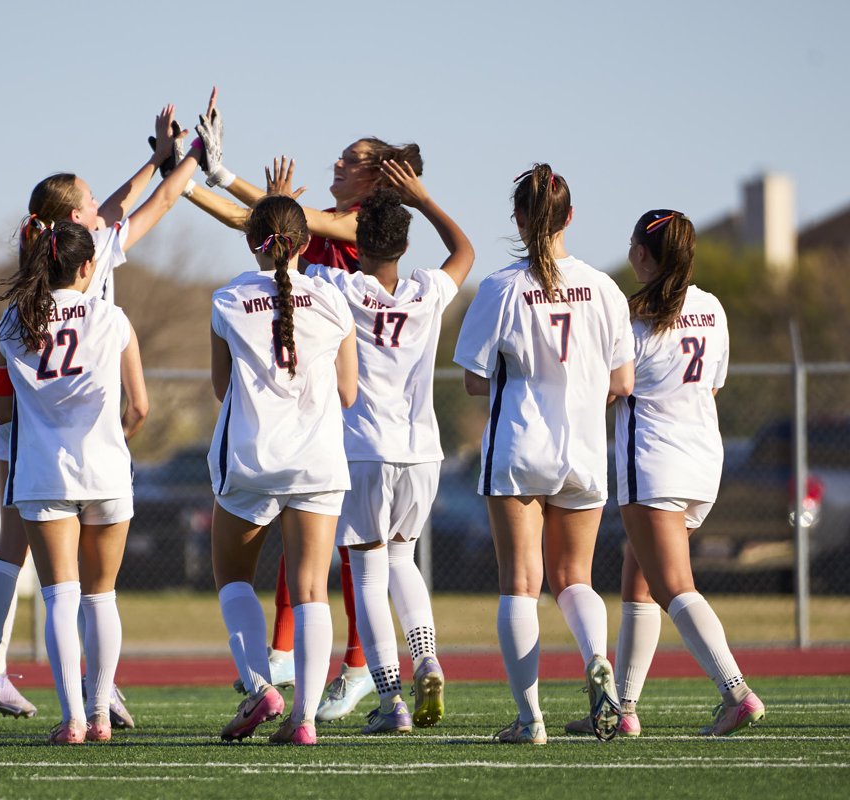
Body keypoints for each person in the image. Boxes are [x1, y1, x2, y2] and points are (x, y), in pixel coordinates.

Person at [185, 93, 424, 720]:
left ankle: (362, 669)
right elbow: (269, 225)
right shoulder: (323, 281)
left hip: (340, 426)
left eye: (350, 160)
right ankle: (316, 697)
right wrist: (195, 182)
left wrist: (207, 178)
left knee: (358, 564)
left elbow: (272, 225)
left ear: (378, 177)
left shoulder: (362, 224)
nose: (336, 164)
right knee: (324, 574)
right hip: (323, 430)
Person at [0, 104, 201, 728]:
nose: (108, 205)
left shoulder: (21, 300)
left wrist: (157, 156)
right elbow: (158, 203)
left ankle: (25, 683)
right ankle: (96, 700)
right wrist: (194, 154)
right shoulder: (99, 272)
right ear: (80, 226)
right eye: (94, 201)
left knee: (37, 570)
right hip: (94, 442)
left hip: (33, 429)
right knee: (96, 593)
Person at [288, 160, 474, 733]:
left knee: (367, 573)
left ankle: (392, 699)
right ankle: (428, 657)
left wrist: (282, 208)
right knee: (403, 558)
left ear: (356, 243)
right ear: (405, 242)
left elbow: (288, 273)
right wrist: (423, 197)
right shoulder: (426, 291)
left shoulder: (341, 288)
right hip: (422, 452)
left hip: (364, 449)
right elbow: (464, 250)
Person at [563, 210, 764, 738]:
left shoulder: (633, 316)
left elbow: (613, 389)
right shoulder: (712, 307)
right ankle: (621, 709)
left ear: (641, 255)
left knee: (674, 586)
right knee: (639, 582)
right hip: (703, 459)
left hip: (654, 462)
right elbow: (711, 386)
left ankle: (735, 691)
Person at [453, 164, 635, 744]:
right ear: (571, 218)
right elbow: (623, 380)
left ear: (520, 219)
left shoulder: (501, 286)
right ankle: (595, 658)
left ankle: (530, 719)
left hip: (519, 447)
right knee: (574, 578)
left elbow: (475, 381)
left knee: (520, 583)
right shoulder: (605, 287)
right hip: (582, 448)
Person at [0, 219, 150, 745]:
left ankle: (73, 720)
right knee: (102, 597)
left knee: (60, 595)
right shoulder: (112, 317)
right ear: (87, 266)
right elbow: (140, 407)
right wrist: (113, 439)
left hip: (42, 473)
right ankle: (100, 715)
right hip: (105, 471)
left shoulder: (13, 321)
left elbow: (1, 411)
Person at [210, 194, 358, 745]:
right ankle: (305, 721)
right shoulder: (334, 301)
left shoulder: (226, 299)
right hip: (318, 461)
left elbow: (222, 388)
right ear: (305, 243)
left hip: (250, 460)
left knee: (232, 579)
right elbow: (348, 393)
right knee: (311, 590)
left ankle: (259, 686)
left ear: (253, 241)